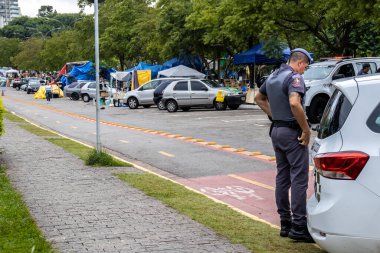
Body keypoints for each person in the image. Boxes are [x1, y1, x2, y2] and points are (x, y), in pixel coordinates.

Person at [255, 48, 314, 243]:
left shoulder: (273, 76)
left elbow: (258, 98)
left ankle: (285, 222)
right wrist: (305, 129)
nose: (305, 69)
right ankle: (299, 226)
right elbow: (295, 103)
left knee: (283, 176)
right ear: (299, 62)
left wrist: (274, 115)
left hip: (277, 131)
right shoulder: (294, 78)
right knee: (299, 178)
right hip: (291, 132)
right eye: (306, 65)